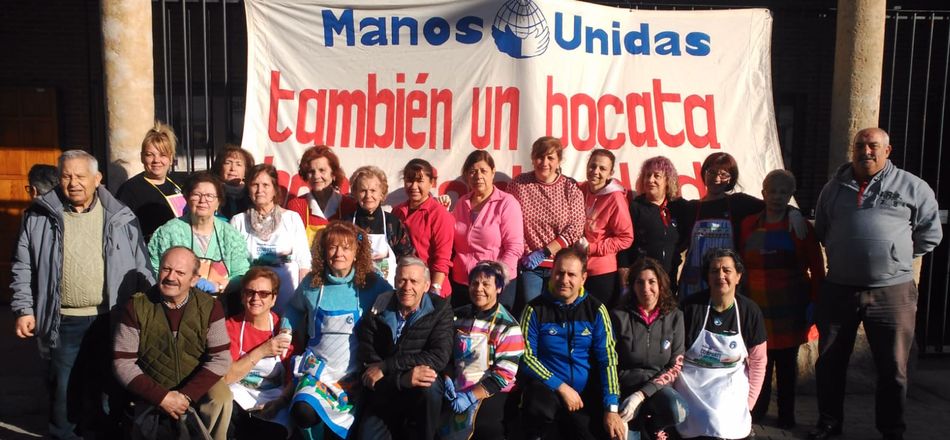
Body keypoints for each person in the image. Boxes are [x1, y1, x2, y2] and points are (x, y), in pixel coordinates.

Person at [809, 127, 942, 440]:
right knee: (829, 361)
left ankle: (891, 430)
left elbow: (930, 234)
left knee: (893, 367)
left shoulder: (913, 186)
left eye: (873, 146)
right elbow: (823, 230)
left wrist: (895, 258)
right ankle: (829, 423)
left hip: (892, 293)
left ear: (887, 150)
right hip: (839, 289)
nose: (865, 151)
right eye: (860, 145)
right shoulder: (833, 188)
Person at [11, 149, 154, 439]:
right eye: (66, 176)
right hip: (64, 319)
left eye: (80, 176)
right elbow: (22, 266)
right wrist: (24, 309)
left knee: (109, 386)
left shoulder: (121, 216)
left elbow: (143, 265)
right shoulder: (39, 215)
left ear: (97, 178)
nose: (74, 182)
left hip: (111, 317)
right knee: (63, 389)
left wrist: (151, 310)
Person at [279, 221, 392, 439]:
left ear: (357, 253)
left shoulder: (372, 284)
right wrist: (286, 330)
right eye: (332, 247)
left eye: (346, 247)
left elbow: (397, 300)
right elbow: (293, 307)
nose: (339, 253)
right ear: (324, 251)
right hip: (317, 371)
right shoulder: (312, 283)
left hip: (353, 375)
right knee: (303, 410)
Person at [113, 246, 233, 440]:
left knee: (222, 397)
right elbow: (123, 363)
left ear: (194, 279)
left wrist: (185, 395)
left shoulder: (211, 307)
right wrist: (163, 397)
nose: (170, 277)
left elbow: (221, 359)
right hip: (152, 383)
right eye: (166, 269)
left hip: (194, 382)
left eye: (180, 272)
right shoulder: (136, 307)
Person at [739, 169, 824, 429]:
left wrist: (815, 301)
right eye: (772, 191)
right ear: (763, 193)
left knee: (787, 364)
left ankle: (787, 414)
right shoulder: (748, 224)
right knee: (758, 360)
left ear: (790, 195)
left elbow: (817, 266)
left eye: (783, 192)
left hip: (790, 304)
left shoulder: (800, 227)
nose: (777, 196)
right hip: (757, 304)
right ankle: (758, 408)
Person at [518, 247, 625, 440]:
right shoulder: (534, 309)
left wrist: (612, 408)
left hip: (583, 396)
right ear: (552, 273)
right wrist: (560, 386)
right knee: (537, 406)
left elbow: (608, 360)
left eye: (571, 274)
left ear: (583, 278)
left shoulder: (596, 310)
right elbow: (526, 357)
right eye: (559, 273)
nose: (564, 280)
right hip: (548, 391)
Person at [356, 256, 454, 440]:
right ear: (394, 281)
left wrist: (388, 366)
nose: (407, 287)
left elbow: (438, 356)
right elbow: (369, 362)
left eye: (414, 281)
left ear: (426, 285)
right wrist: (402, 380)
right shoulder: (379, 308)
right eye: (402, 280)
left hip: (417, 394)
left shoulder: (440, 309)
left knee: (430, 384)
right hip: (386, 391)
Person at [674, 248, 766, 440]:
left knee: (722, 422)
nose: (721, 276)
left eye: (727, 270)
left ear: (738, 276)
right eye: (714, 271)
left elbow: (758, 361)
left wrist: (748, 404)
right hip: (693, 382)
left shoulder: (750, 311)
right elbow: (674, 355)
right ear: (707, 277)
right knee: (705, 419)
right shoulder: (690, 307)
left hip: (730, 381)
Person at [440, 260, 525, 440]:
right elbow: (447, 355)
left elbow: (504, 375)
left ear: (499, 288)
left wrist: (471, 397)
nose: (479, 288)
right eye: (475, 283)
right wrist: (447, 377)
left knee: (486, 428)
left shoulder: (508, 326)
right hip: (458, 385)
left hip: (493, 390)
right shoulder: (458, 317)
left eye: (486, 284)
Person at [149, 172, 251, 310]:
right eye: (197, 195)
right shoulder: (168, 232)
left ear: (218, 202)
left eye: (210, 196)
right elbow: (153, 268)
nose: (203, 200)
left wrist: (219, 286)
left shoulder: (230, 235)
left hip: (218, 311)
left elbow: (242, 273)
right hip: (175, 308)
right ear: (187, 198)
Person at [612, 258, 687, 440]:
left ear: (661, 284)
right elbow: (609, 363)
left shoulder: (675, 317)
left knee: (678, 410)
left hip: (656, 389)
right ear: (632, 286)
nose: (646, 288)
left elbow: (675, 366)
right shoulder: (618, 316)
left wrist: (642, 394)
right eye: (640, 282)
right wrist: (613, 406)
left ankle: (652, 429)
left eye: (652, 281)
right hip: (625, 390)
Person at [507, 136, 585, 312]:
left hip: (561, 266)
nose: (544, 162)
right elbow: (508, 219)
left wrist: (545, 252)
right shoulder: (518, 184)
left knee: (559, 312)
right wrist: (525, 253)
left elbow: (576, 227)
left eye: (550, 157)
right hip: (529, 267)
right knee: (533, 312)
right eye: (540, 157)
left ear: (559, 160)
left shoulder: (570, 188)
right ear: (533, 159)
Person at [223, 267, 294, 439]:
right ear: (242, 296)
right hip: (239, 394)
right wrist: (263, 350)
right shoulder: (230, 327)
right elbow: (227, 377)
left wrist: (278, 404)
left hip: (276, 397)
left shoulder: (283, 330)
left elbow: (293, 378)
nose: (256, 298)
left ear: (274, 298)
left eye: (263, 293)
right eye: (250, 292)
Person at [231, 164, 311, 312]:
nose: (260, 190)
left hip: (287, 292)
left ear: (275, 189)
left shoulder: (291, 218)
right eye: (255, 185)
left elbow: (303, 260)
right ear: (248, 189)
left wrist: (303, 299)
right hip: (253, 296)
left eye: (265, 185)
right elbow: (234, 262)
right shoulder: (238, 221)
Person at [450, 151, 524, 309]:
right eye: (472, 172)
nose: (478, 176)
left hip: (494, 285)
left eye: (483, 171)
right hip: (463, 283)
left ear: (493, 173)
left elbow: (514, 248)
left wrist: (498, 279)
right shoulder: (462, 203)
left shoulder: (506, 203)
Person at [618, 156, 686, 293]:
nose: (650, 180)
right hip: (642, 282)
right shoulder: (635, 207)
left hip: (669, 280)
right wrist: (624, 269)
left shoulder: (679, 207)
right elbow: (624, 243)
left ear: (667, 180)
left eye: (657, 176)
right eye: (647, 175)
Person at [393, 159, 454, 299]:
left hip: (430, 290)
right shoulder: (397, 211)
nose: (414, 186)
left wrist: (434, 291)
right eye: (409, 180)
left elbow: (442, 258)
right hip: (405, 289)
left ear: (431, 183)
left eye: (420, 181)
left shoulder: (439, 214)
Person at [579, 149, 633, 307]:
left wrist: (592, 248)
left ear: (610, 173)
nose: (596, 171)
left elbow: (626, 238)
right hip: (576, 268)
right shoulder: (580, 190)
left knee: (596, 319)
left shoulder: (615, 198)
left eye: (602, 169)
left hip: (601, 271)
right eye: (592, 166)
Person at [116, 122, 188, 240]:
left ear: (170, 159)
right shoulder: (130, 189)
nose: (156, 160)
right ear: (142, 157)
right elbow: (121, 230)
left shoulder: (180, 183)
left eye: (163, 155)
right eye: (150, 155)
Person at [347, 165, 416, 286]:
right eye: (363, 191)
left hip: (388, 291)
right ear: (355, 193)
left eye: (373, 190)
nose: (368, 196)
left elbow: (407, 260)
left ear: (382, 193)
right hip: (353, 290)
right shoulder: (346, 224)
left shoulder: (393, 223)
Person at [286, 145, 357, 245]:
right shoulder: (296, 206)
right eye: (311, 171)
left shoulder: (348, 205)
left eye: (322, 170)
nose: (316, 176)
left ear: (333, 174)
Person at [212, 145, 255, 219]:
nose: (233, 168)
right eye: (228, 163)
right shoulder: (212, 192)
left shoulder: (251, 193)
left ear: (246, 171)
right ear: (219, 168)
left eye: (238, 164)